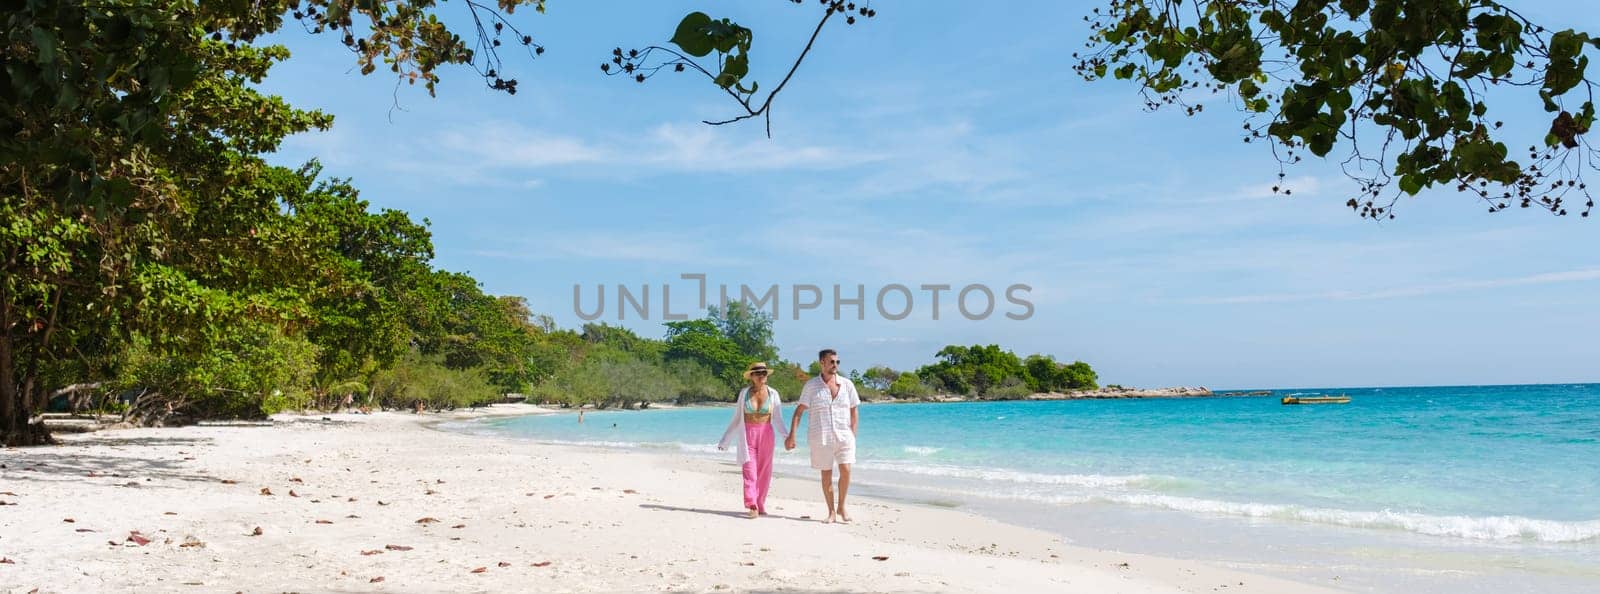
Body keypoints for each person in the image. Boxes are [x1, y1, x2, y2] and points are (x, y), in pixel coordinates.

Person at [785, 349, 860, 523]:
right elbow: (799, 411)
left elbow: (854, 411)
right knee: (826, 474)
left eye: (837, 362)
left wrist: (853, 434)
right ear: (822, 363)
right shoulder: (811, 386)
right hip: (821, 437)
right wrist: (792, 436)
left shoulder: (847, 385)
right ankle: (831, 511)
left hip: (844, 436)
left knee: (846, 470)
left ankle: (842, 506)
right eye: (832, 361)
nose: (835, 365)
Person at [718, 362, 789, 519]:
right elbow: (737, 418)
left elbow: (778, 419)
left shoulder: (773, 394)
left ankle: (760, 502)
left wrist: (787, 437)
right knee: (749, 470)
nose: (762, 375)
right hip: (747, 434)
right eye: (758, 373)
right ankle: (752, 504)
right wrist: (725, 440)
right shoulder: (744, 394)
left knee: (764, 472)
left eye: (764, 373)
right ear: (751, 376)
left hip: (767, 434)